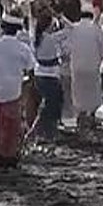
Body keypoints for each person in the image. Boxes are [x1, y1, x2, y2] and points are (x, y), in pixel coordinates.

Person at [0, 14, 37, 167]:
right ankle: (9, 155)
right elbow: (31, 69)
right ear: (18, 30)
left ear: (2, 28)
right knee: (11, 127)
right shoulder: (23, 48)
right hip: (13, 92)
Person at [66, 3, 103, 133]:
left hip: (77, 67)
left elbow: (67, 47)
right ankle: (91, 117)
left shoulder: (74, 28)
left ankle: (81, 118)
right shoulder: (96, 29)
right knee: (94, 94)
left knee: (78, 93)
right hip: (93, 66)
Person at [30, 13, 66, 142]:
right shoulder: (51, 38)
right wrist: (63, 18)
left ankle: (46, 131)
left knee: (50, 103)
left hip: (40, 73)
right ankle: (39, 130)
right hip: (50, 75)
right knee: (52, 105)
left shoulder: (36, 38)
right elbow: (70, 31)